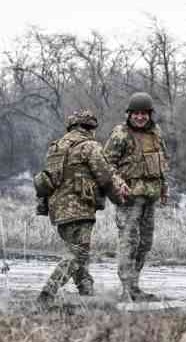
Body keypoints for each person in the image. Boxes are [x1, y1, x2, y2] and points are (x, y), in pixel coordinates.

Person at [34, 109, 130, 304]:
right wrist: (120, 201)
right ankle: (48, 292)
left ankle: (87, 294)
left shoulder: (56, 147)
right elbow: (105, 178)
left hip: (57, 210)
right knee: (79, 253)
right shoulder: (90, 146)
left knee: (77, 254)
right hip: (79, 209)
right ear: (91, 128)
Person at [103, 92, 170, 301]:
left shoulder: (156, 133)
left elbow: (162, 161)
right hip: (129, 199)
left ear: (150, 115)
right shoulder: (120, 134)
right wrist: (118, 182)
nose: (140, 117)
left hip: (149, 197)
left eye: (144, 114)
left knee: (145, 243)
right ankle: (125, 289)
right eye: (136, 114)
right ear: (129, 114)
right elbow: (106, 164)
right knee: (128, 242)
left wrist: (164, 188)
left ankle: (134, 286)